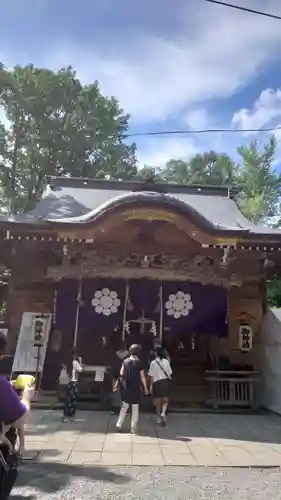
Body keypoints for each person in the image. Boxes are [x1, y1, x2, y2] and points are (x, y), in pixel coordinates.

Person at [115, 344, 148, 434]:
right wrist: (145, 387)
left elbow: (121, 373)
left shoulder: (125, 361)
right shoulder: (139, 363)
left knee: (124, 406)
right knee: (135, 407)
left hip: (126, 387)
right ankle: (133, 427)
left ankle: (119, 424)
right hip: (136, 387)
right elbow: (142, 377)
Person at [148, 346, 172, 427]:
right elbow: (170, 372)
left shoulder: (153, 363)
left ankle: (158, 417)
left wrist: (151, 385)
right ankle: (163, 413)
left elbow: (151, 375)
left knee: (157, 401)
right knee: (165, 400)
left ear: (156, 353)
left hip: (156, 382)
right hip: (165, 382)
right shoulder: (166, 361)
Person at [62, 349, 83, 422]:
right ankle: (71, 415)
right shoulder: (75, 362)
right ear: (74, 355)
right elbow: (80, 370)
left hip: (66, 383)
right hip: (73, 382)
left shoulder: (66, 363)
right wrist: (80, 361)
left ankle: (65, 415)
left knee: (67, 400)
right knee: (73, 400)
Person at [110, 341, 129, 415]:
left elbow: (111, 364)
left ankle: (115, 408)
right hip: (125, 374)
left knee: (115, 391)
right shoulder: (128, 355)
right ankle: (125, 410)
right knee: (125, 391)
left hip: (115, 373)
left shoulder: (114, 354)